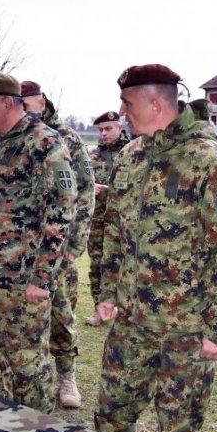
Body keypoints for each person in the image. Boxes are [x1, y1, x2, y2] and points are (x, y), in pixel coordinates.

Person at [94, 64, 217, 432]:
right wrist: (107, 291)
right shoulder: (130, 157)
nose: (122, 111)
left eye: (127, 103)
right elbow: (113, 231)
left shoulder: (211, 162)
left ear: (154, 103)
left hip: (186, 330)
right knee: (109, 425)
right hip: (131, 323)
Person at [0, 72, 76, 413]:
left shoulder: (44, 143)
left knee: (26, 364)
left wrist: (42, 278)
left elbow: (61, 213)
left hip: (22, 281)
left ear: (7, 103)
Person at [21, 80, 94, 409]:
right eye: (19, 103)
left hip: (58, 245)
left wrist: (74, 245)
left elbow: (86, 191)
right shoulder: (13, 138)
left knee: (61, 312)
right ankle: (31, 375)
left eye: (28, 102)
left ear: (42, 101)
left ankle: (66, 375)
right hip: (19, 248)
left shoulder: (66, 137)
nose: (24, 109)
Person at [84, 111, 129, 327]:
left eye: (108, 128)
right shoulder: (91, 156)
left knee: (126, 266)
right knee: (97, 264)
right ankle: (99, 309)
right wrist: (89, 187)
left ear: (120, 128)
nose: (103, 133)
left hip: (125, 221)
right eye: (100, 130)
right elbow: (79, 182)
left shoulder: (133, 153)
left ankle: (125, 310)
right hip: (98, 221)